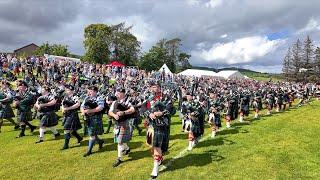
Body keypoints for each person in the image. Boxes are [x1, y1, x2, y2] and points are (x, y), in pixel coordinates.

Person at [144, 81, 171, 179]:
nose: (154, 89)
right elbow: (143, 108)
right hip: (152, 126)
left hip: (162, 125)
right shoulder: (149, 97)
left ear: (159, 88)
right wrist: (149, 114)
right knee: (154, 146)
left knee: (157, 146)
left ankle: (155, 169)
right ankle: (159, 159)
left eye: (155, 87)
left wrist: (162, 113)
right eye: (152, 87)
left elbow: (171, 108)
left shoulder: (166, 97)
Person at [108, 88, 136, 167]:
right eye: (116, 92)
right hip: (117, 123)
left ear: (123, 93)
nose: (116, 94)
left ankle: (119, 158)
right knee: (121, 140)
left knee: (119, 141)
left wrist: (124, 112)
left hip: (125, 123)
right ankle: (127, 149)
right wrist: (114, 115)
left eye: (118, 92)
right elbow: (109, 112)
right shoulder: (114, 102)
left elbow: (133, 109)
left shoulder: (128, 101)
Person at [81, 86, 104, 157]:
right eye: (88, 91)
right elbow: (82, 106)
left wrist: (90, 111)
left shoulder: (99, 98)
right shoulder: (86, 98)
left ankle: (89, 151)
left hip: (96, 118)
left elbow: (100, 107)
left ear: (95, 91)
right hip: (88, 118)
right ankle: (100, 141)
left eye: (90, 91)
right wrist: (83, 112)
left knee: (91, 134)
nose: (88, 93)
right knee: (92, 133)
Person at [61, 85, 83, 150]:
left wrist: (68, 108)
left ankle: (66, 145)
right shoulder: (65, 97)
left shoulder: (75, 96)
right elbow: (62, 104)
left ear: (72, 91)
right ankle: (79, 138)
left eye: (68, 90)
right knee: (72, 130)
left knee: (66, 129)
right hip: (67, 114)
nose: (66, 91)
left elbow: (78, 104)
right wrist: (63, 109)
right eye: (66, 90)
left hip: (73, 114)